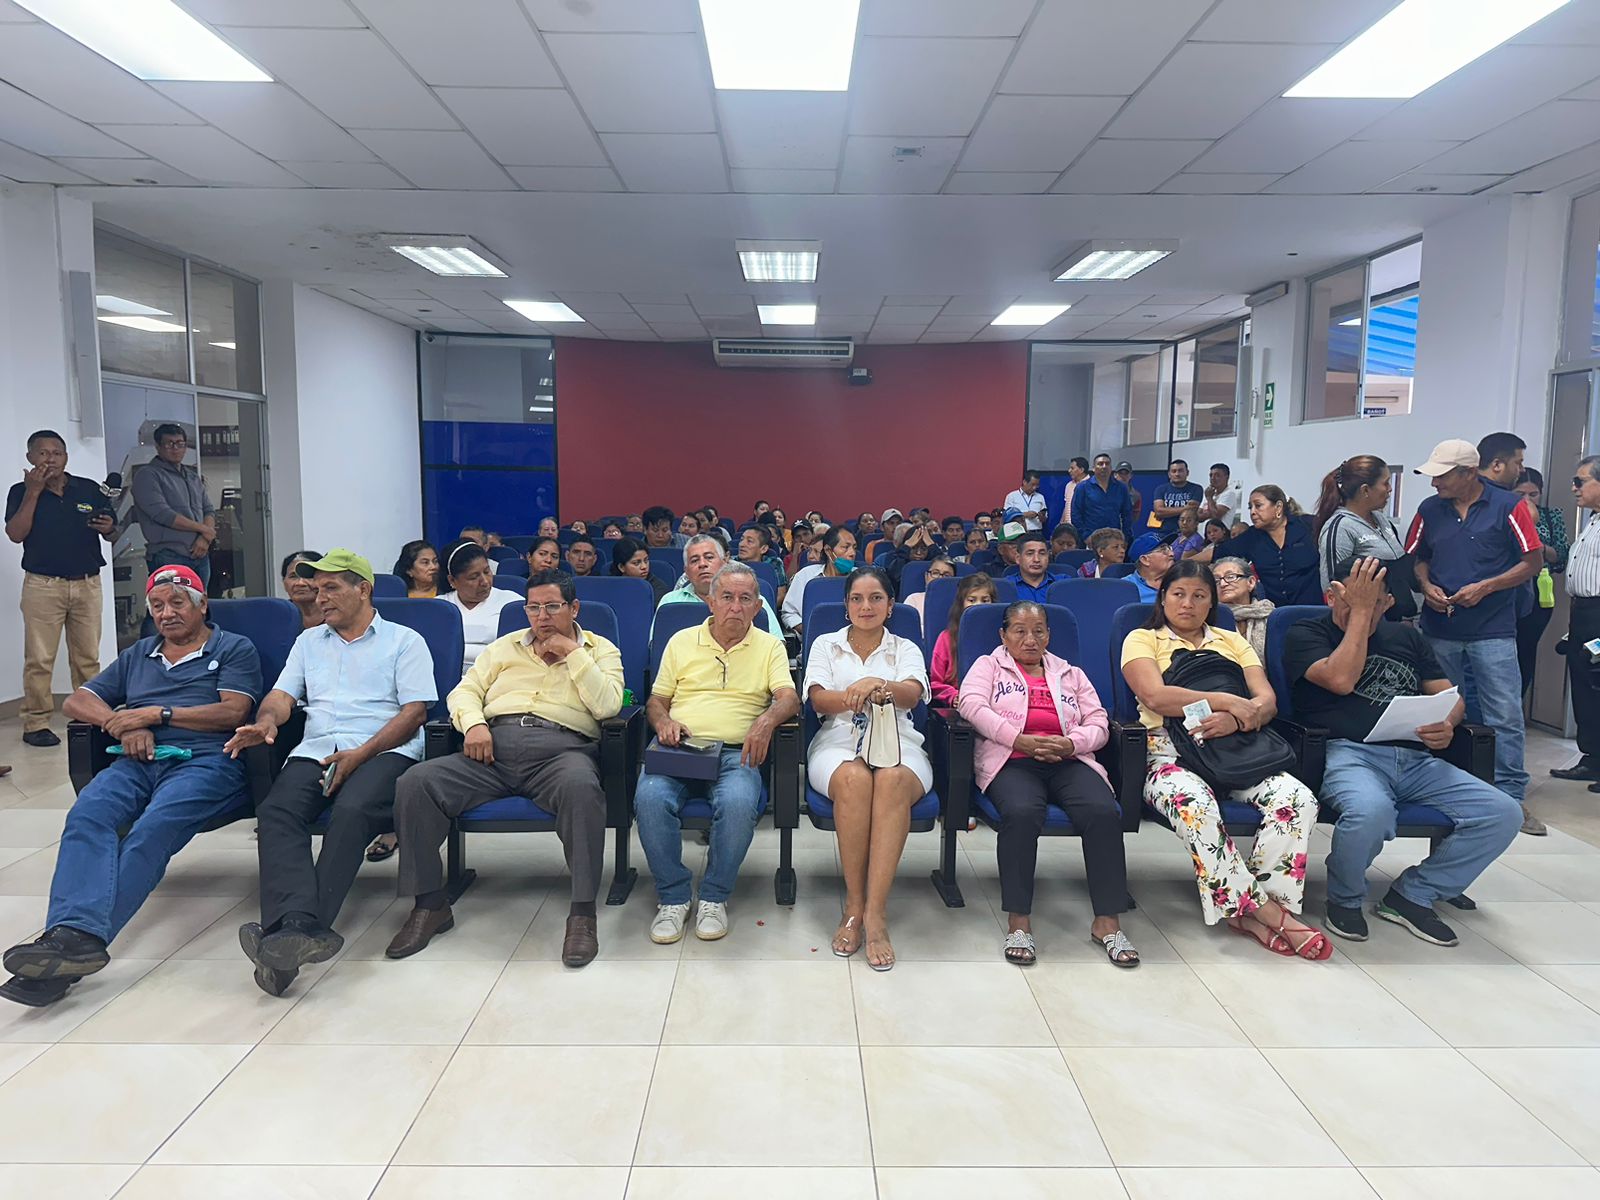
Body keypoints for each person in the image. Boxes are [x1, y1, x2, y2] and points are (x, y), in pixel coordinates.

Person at [0, 565, 260, 1008]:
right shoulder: (140, 652)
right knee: (87, 816)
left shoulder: (233, 647)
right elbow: (79, 700)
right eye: (157, 605)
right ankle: (71, 942)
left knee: (151, 830)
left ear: (202, 606)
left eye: (177, 602)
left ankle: (70, 941)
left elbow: (233, 712)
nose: (166, 613)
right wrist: (120, 724)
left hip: (205, 761)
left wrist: (156, 715)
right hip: (136, 760)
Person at [384, 570, 623, 967]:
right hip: (491, 749)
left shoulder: (601, 650)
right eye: (533, 607)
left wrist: (573, 654)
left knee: (582, 789)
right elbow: (464, 691)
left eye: (552, 607)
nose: (542, 616)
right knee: (416, 783)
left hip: (561, 752)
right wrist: (474, 725)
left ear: (574, 608)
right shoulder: (503, 647)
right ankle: (429, 904)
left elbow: (608, 706)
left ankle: (582, 914)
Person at [227, 549, 436, 997]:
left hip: (385, 750)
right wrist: (267, 721)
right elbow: (282, 696)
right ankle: (297, 928)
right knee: (277, 811)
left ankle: (288, 937)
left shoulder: (404, 641)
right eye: (317, 589)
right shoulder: (308, 643)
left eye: (331, 588)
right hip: (318, 750)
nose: (319, 597)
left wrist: (361, 754)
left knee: (352, 811)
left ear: (363, 589)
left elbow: (415, 713)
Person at [1285, 558, 1522, 946]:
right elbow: (1340, 680)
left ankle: (1414, 894)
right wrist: (1361, 615)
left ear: (1389, 602)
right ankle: (1344, 898)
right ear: (1331, 597)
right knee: (1370, 811)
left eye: (1374, 601)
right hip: (1347, 753)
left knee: (1502, 813)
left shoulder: (1407, 638)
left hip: (1415, 758)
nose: (1363, 608)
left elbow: (1450, 696)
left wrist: (1447, 723)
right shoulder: (1306, 632)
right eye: (1353, 600)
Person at [1121, 560, 1328, 959]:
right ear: (1162, 598)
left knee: (1297, 800)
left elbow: (1266, 701)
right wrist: (1227, 701)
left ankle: (1255, 910)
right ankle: (1268, 914)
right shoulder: (1143, 639)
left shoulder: (1231, 640)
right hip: (1168, 754)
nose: (1188, 604)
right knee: (1196, 806)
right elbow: (1155, 696)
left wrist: (1235, 720)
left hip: (1237, 749)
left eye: (1199, 596)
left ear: (1212, 602)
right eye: (1178, 594)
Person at [960, 601, 1136, 967]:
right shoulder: (988, 666)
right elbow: (971, 706)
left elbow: (1098, 721)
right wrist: (1017, 739)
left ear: (1049, 636)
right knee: (1022, 812)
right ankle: (1019, 921)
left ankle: (1107, 922)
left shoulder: (1071, 673)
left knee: (1102, 812)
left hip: (1068, 758)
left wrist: (1072, 743)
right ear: (1003, 635)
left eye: (1038, 631)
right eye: (1020, 631)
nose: (1030, 639)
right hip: (1011, 758)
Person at [637, 562, 799, 943]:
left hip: (735, 753)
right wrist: (662, 722)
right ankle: (673, 897)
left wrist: (766, 721)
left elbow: (789, 698)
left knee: (740, 802)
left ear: (758, 607)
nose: (735, 607)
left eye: (745, 599)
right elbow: (657, 701)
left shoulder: (769, 646)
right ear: (710, 602)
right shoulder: (681, 641)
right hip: (680, 748)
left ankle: (714, 896)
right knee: (649, 798)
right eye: (727, 597)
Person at [1406, 439, 1543, 834]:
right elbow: (1417, 558)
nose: (1434, 483)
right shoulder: (1429, 510)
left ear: (1468, 473)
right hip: (1440, 627)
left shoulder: (1509, 506)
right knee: (1441, 711)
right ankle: (1446, 788)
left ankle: (1511, 796)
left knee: (1504, 714)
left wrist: (1487, 586)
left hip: (1493, 629)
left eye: (1442, 476)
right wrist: (1426, 585)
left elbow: (1532, 562)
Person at [803, 567, 932, 970]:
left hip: (898, 740)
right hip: (838, 740)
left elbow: (912, 695)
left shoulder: (904, 647)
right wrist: (857, 694)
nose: (866, 606)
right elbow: (819, 700)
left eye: (876, 598)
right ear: (846, 605)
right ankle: (854, 907)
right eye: (856, 599)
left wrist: (880, 684)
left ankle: (876, 914)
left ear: (890, 606)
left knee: (891, 778)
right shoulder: (826, 644)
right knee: (855, 779)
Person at [6, 429, 117, 748]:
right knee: (39, 659)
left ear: (66, 457)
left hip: (87, 583)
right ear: (30, 457)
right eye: (43, 453)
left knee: (87, 658)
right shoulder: (20, 491)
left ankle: (89, 716)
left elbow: (112, 533)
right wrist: (33, 492)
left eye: (57, 453)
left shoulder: (88, 489)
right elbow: (15, 533)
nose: (50, 459)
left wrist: (109, 527)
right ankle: (36, 723)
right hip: (43, 586)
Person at [1199, 485, 1321, 606]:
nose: (1252, 512)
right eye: (1250, 507)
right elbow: (1217, 552)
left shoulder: (1308, 525)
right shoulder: (1252, 537)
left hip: (1314, 610)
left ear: (1278, 507)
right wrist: (1188, 561)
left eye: (1258, 506)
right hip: (1275, 612)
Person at [130, 423, 216, 591]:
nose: (175, 449)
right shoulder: (148, 475)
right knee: (170, 604)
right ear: (158, 446)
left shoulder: (192, 477)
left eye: (180, 444)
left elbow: (208, 510)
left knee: (199, 604)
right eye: (169, 444)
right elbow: (163, 514)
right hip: (169, 555)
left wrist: (205, 538)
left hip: (200, 554)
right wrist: (205, 530)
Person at [1557, 457, 1600, 782]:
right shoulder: (1592, 521)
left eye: (1580, 481)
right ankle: (1592, 758)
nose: (1574, 487)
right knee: (1585, 688)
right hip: (1583, 614)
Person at [1313, 456, 1405, 595]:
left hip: (1400, 607)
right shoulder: (1341, 528)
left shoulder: (1380, 518)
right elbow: (1332, 588)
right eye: (1386, 483)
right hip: (1371, 608)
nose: (1390, 489)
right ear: (1365, 490)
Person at [658, 533, 782, 633]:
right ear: (686, 571)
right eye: (694, 560)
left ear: (724, 563)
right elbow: (658, 647)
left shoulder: (751, 599)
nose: (702, 564)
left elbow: (777, 643)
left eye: (709, 557)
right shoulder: (669, 602)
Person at [1514, 468, 1566, 698]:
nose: (1526, 500)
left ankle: (1518, 702)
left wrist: (1537, 544)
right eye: (1520, 494)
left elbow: (1561, 555)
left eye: (1533, 494)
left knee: (1526, 649)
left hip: (1539, 587)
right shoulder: (1504, 513)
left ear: (1541, 493)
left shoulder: (1550, 516)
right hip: (1509, 585)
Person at [438, 540, 522, 672]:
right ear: (452, 580)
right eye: (473, 577)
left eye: (487, 572)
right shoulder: (439, 608)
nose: (485, 582)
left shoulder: (512, 603)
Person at [930, 573, 998, 706]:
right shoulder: (946, 638)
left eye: (985, 600)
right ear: (961, 604)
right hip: (960, 703)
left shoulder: (1003, 637)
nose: (978, 606)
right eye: (971, 600)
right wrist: (953, 696)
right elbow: (934, 683)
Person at [783, 525, 856, 633]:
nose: (852, 553)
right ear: (828, 551)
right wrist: (811, 632)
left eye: (854, 547)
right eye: (846, 547)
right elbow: (789, 613)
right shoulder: (805, 576)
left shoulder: (862, 578)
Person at [1214, 557, 1272, 658]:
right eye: (1216, 580)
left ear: (1251, 582)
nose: (1223, 584)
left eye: (1230, 577)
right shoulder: (1210, 618)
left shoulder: (1269, 615)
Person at [1070, 453, 1133, 544]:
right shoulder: (1083, 487)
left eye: (1107, 464)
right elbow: (1076, 514)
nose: (1104, 466)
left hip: (1114, 539)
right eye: (1100, 464)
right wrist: (1085, 536)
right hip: (1091, 539)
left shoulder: (1121, 488)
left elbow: (1127, 514)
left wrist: (1125, 537)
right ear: (1093, 468)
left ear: (1111, 468)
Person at [902, 554, 955, 632]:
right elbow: (907, 629)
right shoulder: (913, 599)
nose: (940, 578)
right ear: (926, 576)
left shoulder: (959, 602)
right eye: (935, 573)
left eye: (946, 575)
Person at [1150, 459, 1203, 534]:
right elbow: (1159, 511)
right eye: (1174, 471)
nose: (1177, 474)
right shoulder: (1160, 489)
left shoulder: (1196, 488)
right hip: (1164, 533)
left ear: (1187, 472)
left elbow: (1191, 511)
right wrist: (1185, 508)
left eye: (1180, 471)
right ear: (1169, 474)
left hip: (1188, 533)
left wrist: (1167, 511)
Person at [612, 536, 669, 604]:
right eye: (636, 563)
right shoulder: (609, 585)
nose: (644, 566)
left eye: (646, 560)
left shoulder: (658, 588)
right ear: (621, 567)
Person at [1011, 531, 1064, 603]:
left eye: (1042, 553)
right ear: (1018, 558)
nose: (1036, 559)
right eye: (1030, 554)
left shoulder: (1062, 583)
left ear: (1048, 557)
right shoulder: (1006, 586)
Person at [281, 550, 325, 628]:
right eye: (293, 577)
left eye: (308, 576)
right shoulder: (276, 616)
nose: (300, 583)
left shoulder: (339, 616)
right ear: (284, 583)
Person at [1125, 532, 1175, 602]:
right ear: (1144, 560)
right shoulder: (1124, 587)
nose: (1172, 554)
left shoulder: (1183, 581)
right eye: (1163, 550)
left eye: (1170, 548)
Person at [1115, 461, 1143, 526]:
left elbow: (1135, 516)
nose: (1123, 476)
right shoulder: (1107, 491)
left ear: (1130, 476)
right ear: (1115, 475)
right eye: (1120, 473)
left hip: (1125, 527)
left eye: (1126, 473)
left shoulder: (1136, 495)